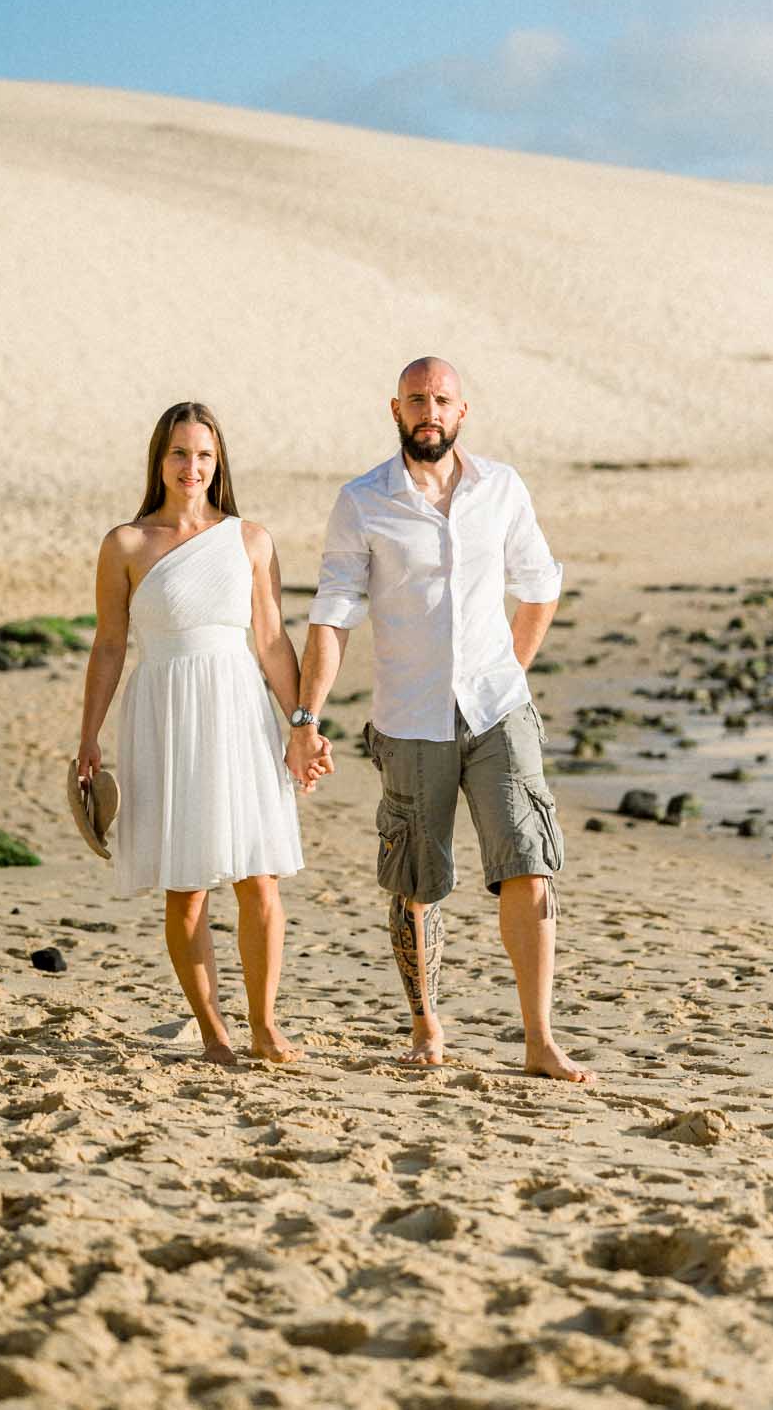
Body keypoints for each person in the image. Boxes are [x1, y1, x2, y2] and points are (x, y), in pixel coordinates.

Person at [286, 358, 595, 1083]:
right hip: (409, 715)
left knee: (528, 861)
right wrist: (306, 717)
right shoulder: (363, 501)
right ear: (394, 409)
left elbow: (540, 583)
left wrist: (511, 668)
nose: (430, 411)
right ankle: (426, 1021)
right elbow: (333, 614)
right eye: (417, 400)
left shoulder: (501, 488)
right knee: (415, 880)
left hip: (497, 711)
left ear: (464, 411)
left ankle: (538, 1037)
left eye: (442, 400)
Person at [77, 401, 328, 1066]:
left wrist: (302, 724)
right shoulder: (125, 544)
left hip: (238, 710)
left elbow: (272, 642)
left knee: (258, 876)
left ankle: (264, 1026)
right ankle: (214, 1032)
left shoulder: (249, 539)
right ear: (159, 460)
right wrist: (88, 737)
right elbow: (108, 645)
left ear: (219, 464)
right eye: (180, 454)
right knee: (185, 886)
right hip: (162, 712)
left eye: (205, 456)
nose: (193, 467)